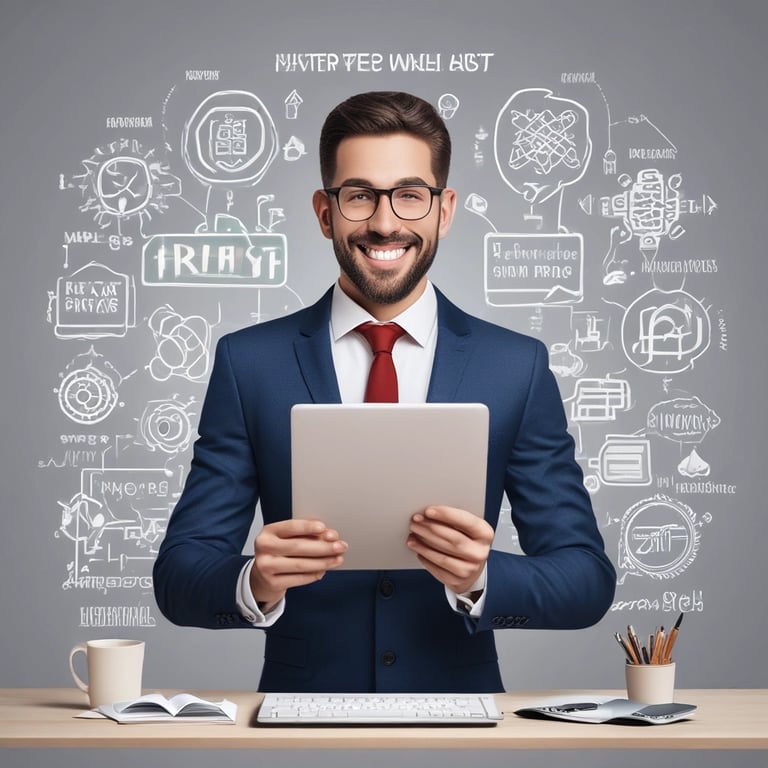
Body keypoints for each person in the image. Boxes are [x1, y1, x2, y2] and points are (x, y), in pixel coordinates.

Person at [153, 91, 616, 693]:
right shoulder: (249, 364)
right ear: (325, 212)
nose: (385, 222)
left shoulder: (516, 367)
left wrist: (480, 578)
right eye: (359, 195)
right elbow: (180, 575)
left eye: (409, 194)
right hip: (300, 716)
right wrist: (256, 581)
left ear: (444, 210)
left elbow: (585, 580)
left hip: (463, 717)